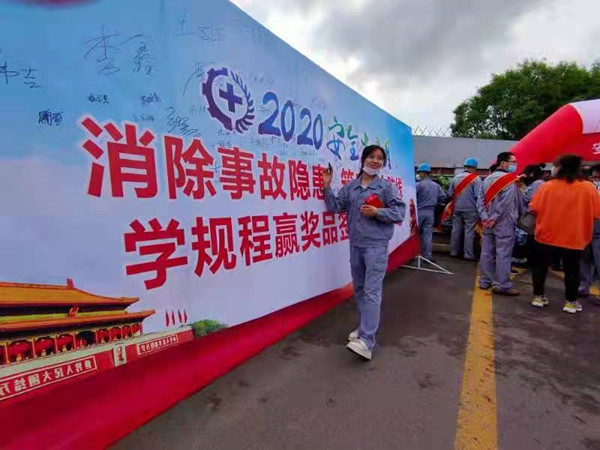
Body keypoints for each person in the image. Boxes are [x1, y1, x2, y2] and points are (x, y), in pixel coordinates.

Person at [323, 145, 405, 360]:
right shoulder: (351, 187)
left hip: (376, 246)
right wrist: (327, 185)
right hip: (356, 245)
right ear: (363, 160)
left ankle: (367, 341)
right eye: (371, 157)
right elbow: (335, 207)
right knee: (359, 289)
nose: (375, 161)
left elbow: (399, 213)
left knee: (371, 291)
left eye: (380, 158)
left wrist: (378, 211)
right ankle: (363, 328)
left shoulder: (386, 188)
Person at [529, 155, 600, 313]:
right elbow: (597, 213)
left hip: (546, 235)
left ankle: (538, 297)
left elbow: (533, 208)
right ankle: (571, 302)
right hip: (575, 237)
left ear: (559, 167)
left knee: (540, 267)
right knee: (572, 270)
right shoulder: (588, 188)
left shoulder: (547, 186)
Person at [477, 152, 523, 295]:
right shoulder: (510, 180)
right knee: (503, 254)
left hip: (487, 222)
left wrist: (486, 218)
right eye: (513, 162)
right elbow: (506, 203)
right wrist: (494, 218)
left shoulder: (487, 179)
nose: (515, 164)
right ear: (503, 163)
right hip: (504, 222)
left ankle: (485, 281)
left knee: (486, 253)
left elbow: (480, 202)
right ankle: (502, 285)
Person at [446, 157, 482, 261]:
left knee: (456, 230)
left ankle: (453, 252)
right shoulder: (476, 179)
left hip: (457, 209)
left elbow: (450, 194)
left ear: (465, 166)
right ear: (474, 168)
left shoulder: (455, 178)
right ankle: (468, 254)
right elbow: (478, 196)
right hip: (471, 210)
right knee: (469, 232)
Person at [578, 163, 600, 299]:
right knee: (584, 258)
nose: (595, 179)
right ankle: (583, 287)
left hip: (597, 228)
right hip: (586, 227)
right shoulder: (587, 187)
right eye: (594, 177)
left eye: (598, 177)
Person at [415, 162, 445, 261]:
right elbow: (442, 197)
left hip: (419, 211)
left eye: (419, 172)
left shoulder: (418, 185)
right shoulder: (436, 185)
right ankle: (427, 256)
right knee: (427, 235)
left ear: (423, 173)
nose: (419, 174)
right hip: (430, 213)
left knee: (414, 234)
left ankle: (413, 254)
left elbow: (412, 197)